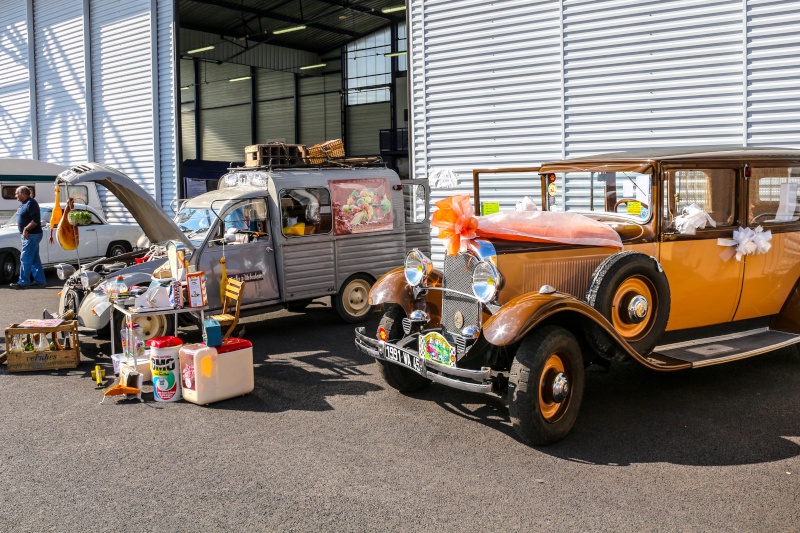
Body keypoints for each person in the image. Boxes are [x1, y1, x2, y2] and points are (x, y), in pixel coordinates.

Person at [11, 186, 46, 289]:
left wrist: (26, 229)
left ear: (24, 193)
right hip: (28, 235)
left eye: (17, 193)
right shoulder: (23, 204)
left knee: (25, 258)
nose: (15, 195)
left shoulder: (31, 203)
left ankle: (23, 282)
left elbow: (36, 220)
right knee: (34, 258)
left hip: (32, 235)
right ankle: (40, 280)